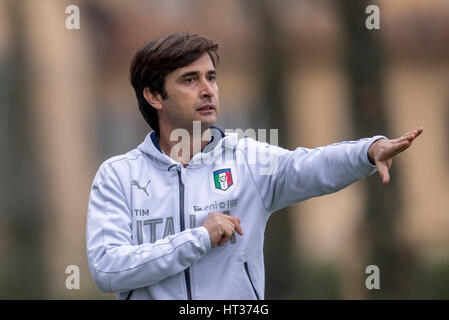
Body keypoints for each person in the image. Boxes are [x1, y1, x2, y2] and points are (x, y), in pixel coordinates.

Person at [86, 33, 423, 300]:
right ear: (154, 97)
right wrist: (199, 238)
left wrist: (366, 151)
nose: (208, 90)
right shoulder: (118, 176)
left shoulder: (247, 159)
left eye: (211, 77)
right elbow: (107, 268)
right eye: (190, 80)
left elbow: (307, 166)